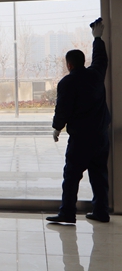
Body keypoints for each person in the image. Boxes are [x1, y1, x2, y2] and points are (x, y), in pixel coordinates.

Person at [46, 18, 111, 224]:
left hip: (81, 139)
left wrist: (57, 128)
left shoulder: (67, 82)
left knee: (72, 176)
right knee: (99, 176)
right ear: (83, 62)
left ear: (69, 64)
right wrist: (97, 38)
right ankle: (101, 212)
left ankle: (67, 213)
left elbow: (63, 109)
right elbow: (101, 59)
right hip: (101, 136)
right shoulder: (96, 75)